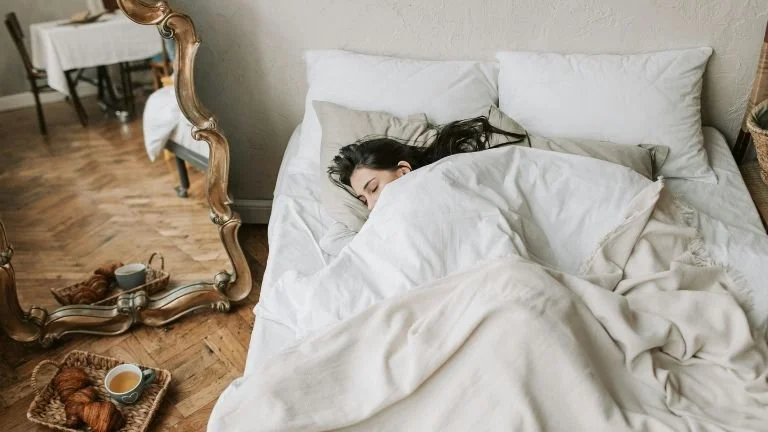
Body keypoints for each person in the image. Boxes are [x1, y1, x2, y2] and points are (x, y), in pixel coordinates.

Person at [328, 116, 527, 209]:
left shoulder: (447, 174)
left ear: (403, 171)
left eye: (373, 189)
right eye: (364, 201)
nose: (371, 207)